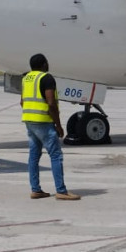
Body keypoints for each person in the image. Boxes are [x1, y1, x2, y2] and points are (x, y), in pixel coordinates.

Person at [20, 53, 81, 200]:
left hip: (29, 120)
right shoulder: (46, 78)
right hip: (43, 121)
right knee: (56, 155)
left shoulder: (26, 78)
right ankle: (61, 190)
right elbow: (51, 103)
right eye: (46, 62)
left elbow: (22, 101)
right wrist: (58, 125)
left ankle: (36, 189)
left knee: (34, 156)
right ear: (43, 64)